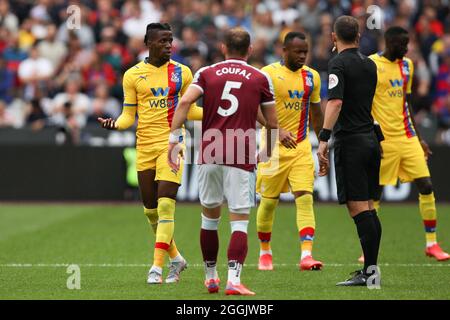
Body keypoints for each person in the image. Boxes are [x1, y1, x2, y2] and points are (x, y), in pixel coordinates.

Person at [168, 27, 278, 295]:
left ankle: (210, 276)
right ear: (250, 50)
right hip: (240, 152)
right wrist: (268, 151)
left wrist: (174, 140)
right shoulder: (260, 77)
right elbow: (272, 123)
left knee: (209, 219)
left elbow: (183, 104)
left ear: (223, 48)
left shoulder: (206, 73)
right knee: (239, 221)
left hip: (209, 151)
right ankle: (234, 280)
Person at [98, 23, 203, 284]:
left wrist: (216, 113)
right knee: (150, 211)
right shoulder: (133, 75)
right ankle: (176, 259)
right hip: (144, 145)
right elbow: (127, 116)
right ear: (149, 42)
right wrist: (114, 123)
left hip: (173, 142)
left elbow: (190, 111)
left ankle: (157, 268)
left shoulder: (183, 73)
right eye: (163, 41)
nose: (169, 45)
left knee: (166, 203)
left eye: (171, 40)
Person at [365, 26, 449, 262]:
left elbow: (407, 103)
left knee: (426, 185)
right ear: (389, 43)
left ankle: (432, 243)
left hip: (408, 136)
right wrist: (372, 136)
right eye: (402, 44)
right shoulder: (372, 64)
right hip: (384, 140)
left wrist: (420, 138)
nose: (406, 48)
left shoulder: (407, 66)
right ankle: (368, 249)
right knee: (376, 194)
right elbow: (364, 103)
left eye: (408, 43)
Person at [317, 16, 382, 286]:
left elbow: (335, 103)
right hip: (370, 140)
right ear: (357, 36)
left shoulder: (338, 64)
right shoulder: (370, 64)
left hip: (352, 142)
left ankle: (369, 274)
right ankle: (372, 272)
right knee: (369, 206)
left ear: (334, 37)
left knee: (358, 209)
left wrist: (323, 138)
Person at [256, 31, 324, 272]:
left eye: (306, 51)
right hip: (271, 146)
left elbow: (316, 113)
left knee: (305, 197)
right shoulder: (268, 74)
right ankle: (265, 251)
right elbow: (254, 109)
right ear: (284, 51)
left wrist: (323, 143)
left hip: (301, 146)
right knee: (268, 203)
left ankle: (307, 254)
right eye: (298, 51)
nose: (303, 55)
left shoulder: (312, 78)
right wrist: (277, 129)